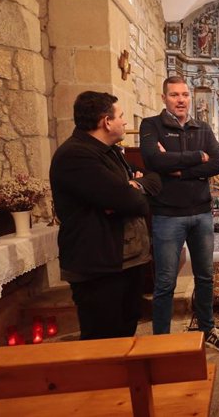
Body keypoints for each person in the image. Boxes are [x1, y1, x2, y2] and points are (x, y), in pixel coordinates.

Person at [50, 91, 161, 340]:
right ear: (106, 121)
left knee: (126, 326)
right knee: (102, 337)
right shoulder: (76, 155)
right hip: (98, 264)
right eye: (121, 116)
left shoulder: (109, 151)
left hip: (124, 261)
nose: (125, 122)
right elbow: (130, 201)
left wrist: (134, 186)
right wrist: (129, 191)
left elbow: (152, 181)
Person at [140, 76, 219, 352]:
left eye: (184, 95)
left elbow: (217, 163)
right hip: (167, 215)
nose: (180, 100)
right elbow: (152, 160)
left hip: (201, 213)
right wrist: (197, 157)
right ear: (164, 98)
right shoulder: (151, 125)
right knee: (166, 281)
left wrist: (178, 169)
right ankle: (162, 342)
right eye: (174, 95)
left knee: (206, 276)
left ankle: (208, 330)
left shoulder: (202, 127)